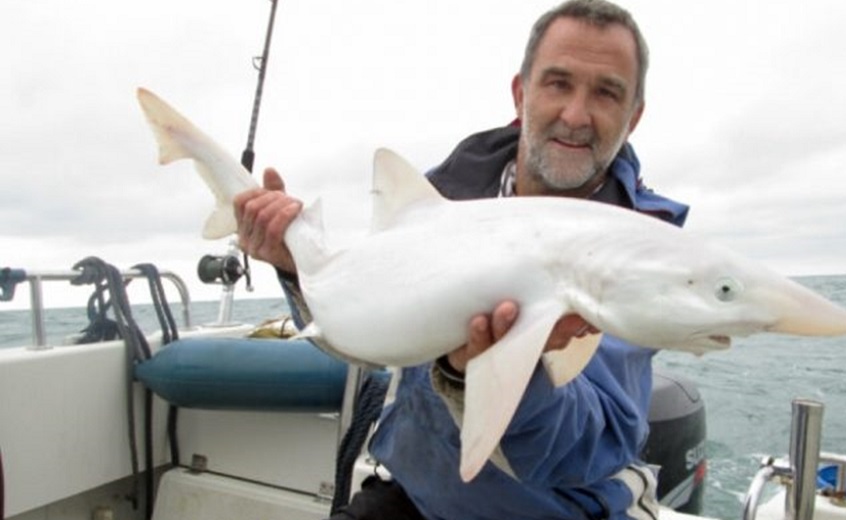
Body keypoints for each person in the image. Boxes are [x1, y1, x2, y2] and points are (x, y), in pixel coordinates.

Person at [234, 1, 690, 518]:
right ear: (521, 94)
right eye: (558, 83)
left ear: (633, 117)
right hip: (413, 494)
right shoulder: (441, 200)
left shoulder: (645, 254)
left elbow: (590, 448)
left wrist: (487, 377)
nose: (576, 115)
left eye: (606, 92)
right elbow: (364, 327)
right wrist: (293, 266)